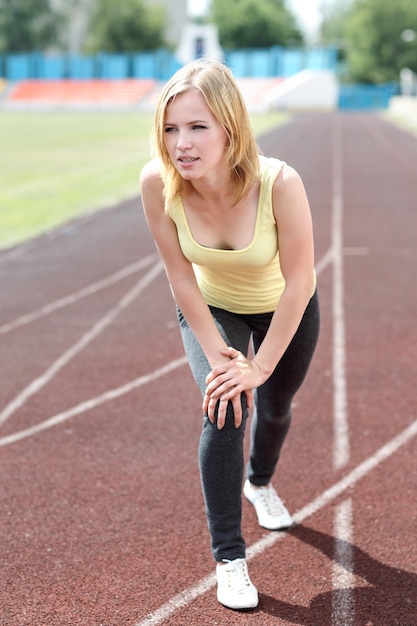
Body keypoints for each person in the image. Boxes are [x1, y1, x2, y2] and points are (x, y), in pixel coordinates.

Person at [140, 59, 320, 611]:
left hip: (283, 308)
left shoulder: (279, 182)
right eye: (171, 129)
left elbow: (300, 283)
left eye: (197, 127)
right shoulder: (158, 184)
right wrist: (226, 362)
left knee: (276, 407)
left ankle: (259, 481)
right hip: (212, 307)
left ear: (230, 127)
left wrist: (261, 366)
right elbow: (178, 276)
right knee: (224, 403)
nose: (181, 144)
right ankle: (230, 558)